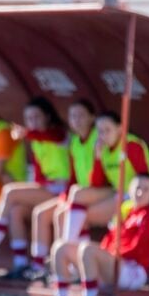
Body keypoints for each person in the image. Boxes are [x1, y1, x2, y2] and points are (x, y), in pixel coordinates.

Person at [45, 173, 149, 296]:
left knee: (87, 249)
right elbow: (109, 240)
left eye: (145, 189)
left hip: (132, 270)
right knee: (61, 247)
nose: (140, 192)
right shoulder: (126, 211)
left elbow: (136, 249)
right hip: (113, 264)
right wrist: (104, 254)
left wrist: (106, 255)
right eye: (137, 188)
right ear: (129, 190)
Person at [0, 96, 70, 279]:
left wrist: (26, 133)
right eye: (29, 118)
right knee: (16, 211)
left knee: (10, 191)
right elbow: (39, 176)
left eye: (37, 117)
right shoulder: (36, 140)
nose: (32, 122)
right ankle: (24, 265)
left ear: (48, 116)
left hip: (64, 191)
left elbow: (52, 136)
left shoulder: (59, 133)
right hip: (48, 191)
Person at [60, 110, 149, 248]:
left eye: (107, 130)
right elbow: (96, 183)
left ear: (120, 129)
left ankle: (70, 252)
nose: (103, 135)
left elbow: (145, 180)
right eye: (100, 131)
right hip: (118, 192)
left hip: (138, 196)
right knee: (77, 193)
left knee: (81, 216)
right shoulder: (103, 148)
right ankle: (70, 252)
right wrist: (97, 158)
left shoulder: (131, 145)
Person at [26, 98, 97, 278]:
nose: (77, 120)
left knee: (69, 211)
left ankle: (74, 267)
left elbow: (100, 178)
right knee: (46, 213)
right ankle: (43, 267)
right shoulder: (75, 142)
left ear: (92, 117)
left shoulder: (96, 138)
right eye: (73, 116)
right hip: (78, 193)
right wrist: (68, 196)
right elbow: (74, 178)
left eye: (81, 115)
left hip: (97, 193)